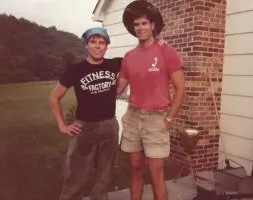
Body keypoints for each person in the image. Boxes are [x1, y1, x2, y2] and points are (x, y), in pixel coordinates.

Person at [117, 1, 185, 200]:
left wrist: (170, 118)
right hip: (133, 116)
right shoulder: (128, 57)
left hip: (157, 118)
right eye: (136, 25)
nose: (140, 28)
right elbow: (119, 87)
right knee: (136, 169)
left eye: (144, 23)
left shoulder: (166, 51)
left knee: (157, 174)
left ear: (152, 25)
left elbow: (181, 89)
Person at [49, 27, 121, 200]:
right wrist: (62, 125)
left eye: (101, 42)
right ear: (87, 45)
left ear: (107, 46)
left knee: (105, 176)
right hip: (84, 127)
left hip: (109, 126)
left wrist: (158, 42)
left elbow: (140, 56)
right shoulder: (77, 69)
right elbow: (54, 97)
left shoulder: (115, 64)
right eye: (93, 42)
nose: (97, 46)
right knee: (77, 175)